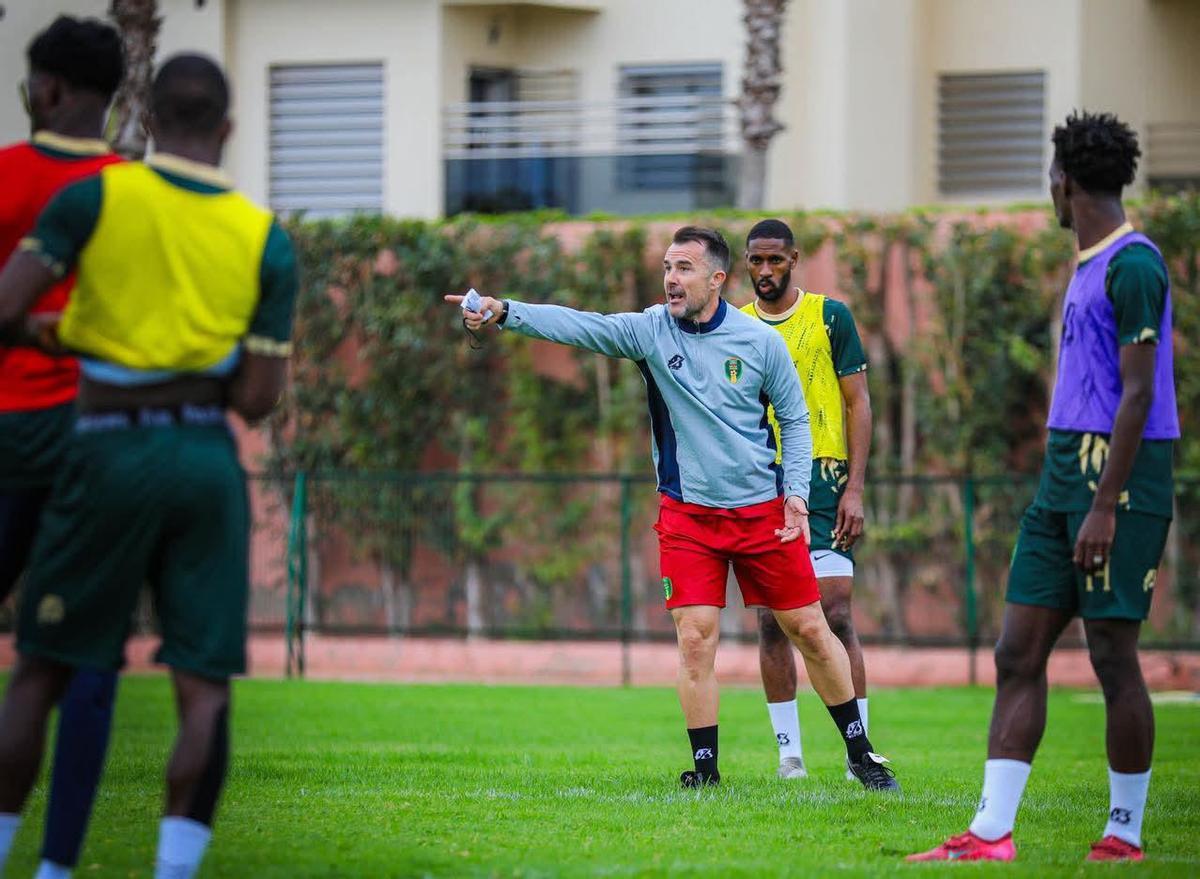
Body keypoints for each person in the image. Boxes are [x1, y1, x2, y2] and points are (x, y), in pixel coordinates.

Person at [447, 226, 899, 791]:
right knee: (695, 637)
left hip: (762, 513)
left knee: (809, 628)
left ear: (716, 279)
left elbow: (796, 419)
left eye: (684, 268)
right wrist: (505, 311)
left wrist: (798, 497)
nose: (670, 278)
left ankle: (861, 755)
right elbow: (582, 326)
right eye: (667, 266)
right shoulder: (650, 332)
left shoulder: (760, 343)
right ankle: (705, 772)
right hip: (688, 517)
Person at [0, 54, 298, 879]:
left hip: (105, 446)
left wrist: (63, 337)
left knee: (40, 668)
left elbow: (5, 306)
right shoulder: (263, 237)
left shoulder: (94, 197)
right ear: (229, 129)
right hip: (206, 455)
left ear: (147, 117)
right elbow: (257, 398)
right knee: (203, 688)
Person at [909, 111, 1177, 863]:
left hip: (1117, 484)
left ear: (1063, 181)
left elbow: (1136, 394)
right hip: (1062, 477)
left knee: (1113, 656)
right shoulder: (1090, 262)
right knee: (1015, 650)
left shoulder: (1134, 264)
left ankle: (1123, 834)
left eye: (1051, 180)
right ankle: (991, 833)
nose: (1050, 192)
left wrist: (1103, 505)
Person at [0, 16, 125, 879]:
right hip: (99, 439)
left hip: (6, 432)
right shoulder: (137, 193)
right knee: (83, 656)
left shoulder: (5, 176)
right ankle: (55, 868)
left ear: (44, 88)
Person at [741, 218, 873, 780]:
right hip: (761, 482)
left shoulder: (831, 316)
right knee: (773, 620)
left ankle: (858, 750)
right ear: (745, 263)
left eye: (776, 260)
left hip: (824, 480)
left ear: (794, 259)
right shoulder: (734, 325)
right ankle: (789, 756)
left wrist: (856, 487)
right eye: (757, 261)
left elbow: (858, 402)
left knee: (837, 612)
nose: (766, 271)